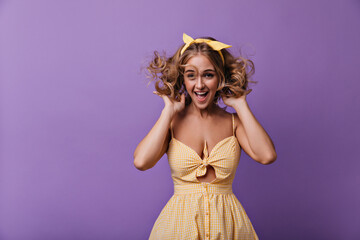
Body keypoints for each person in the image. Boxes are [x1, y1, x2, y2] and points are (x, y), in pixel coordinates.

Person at [134, 33, 277, 240]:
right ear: (183, 78)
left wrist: (241, 104)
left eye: (208, 75)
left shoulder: (234, 123)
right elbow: (141, 162)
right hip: (178, 229)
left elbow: (267, 155)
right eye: (191, 75)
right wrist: (168, 112)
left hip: (229, 228)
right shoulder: (172, 123)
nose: (199, 85)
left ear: (220, 77)